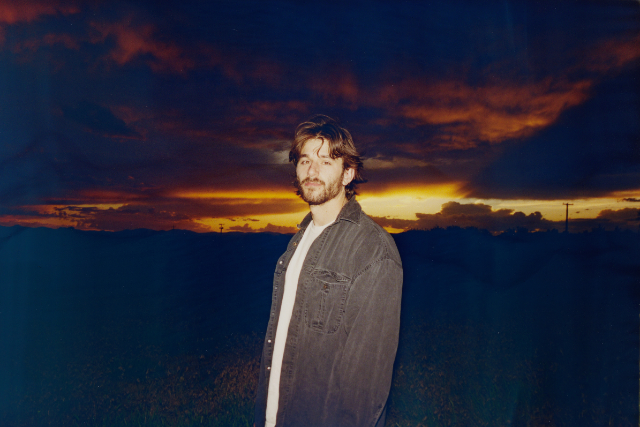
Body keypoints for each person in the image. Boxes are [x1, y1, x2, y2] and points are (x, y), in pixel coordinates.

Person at [254, 115, 403, 427]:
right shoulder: (298, 241)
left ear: (348, 173)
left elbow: (365, 390)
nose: (312, 171)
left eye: (325, 162)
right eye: (305, 160)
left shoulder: (372, 251)